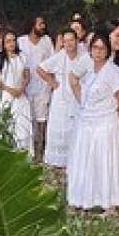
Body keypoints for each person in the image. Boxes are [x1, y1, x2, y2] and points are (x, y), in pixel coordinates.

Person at [66, 33, 119, 211]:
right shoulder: (88, 68)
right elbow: (72, 79)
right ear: (90, 50)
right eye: (95, 48)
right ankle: (85, 198)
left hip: (106, 123)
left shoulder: (114, 71)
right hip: (87, 121)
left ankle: (108, 202)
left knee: (104, 162)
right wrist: (81, 100)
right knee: (86, 160)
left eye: (102, 48)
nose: (98, 52)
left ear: (107, 51)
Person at [40, 30, 82, 169]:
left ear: (77, 40)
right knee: (59, 126)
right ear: (62, 43)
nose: (69, 43)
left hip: (77, 97)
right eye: (66, 41)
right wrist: (52, 83)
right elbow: (40, 69)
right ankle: (57, 162)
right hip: (60, 98)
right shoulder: (59, 57)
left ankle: (75, 158)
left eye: (71, 40)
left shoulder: (84, 56)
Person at [0, 30, 35, 153]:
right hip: (6, 95)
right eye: (8, 41)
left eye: (13, 40)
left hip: (20, 94)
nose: (11, 44)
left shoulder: (22, 56)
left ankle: (24, 152)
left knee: (22, 124)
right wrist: (8, 89)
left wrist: (22, 88)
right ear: (4, 44)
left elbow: (27, 75)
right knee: (8, 124)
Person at [23, 17, 56, 149]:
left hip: (43, 85)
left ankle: (41, 145)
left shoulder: (47, 41)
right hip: (26, 85)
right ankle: (29, 145)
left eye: (43, 23)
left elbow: (53, 61)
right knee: (28, 116)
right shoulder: (21, 41)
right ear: (32, 26)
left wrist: (52, 82)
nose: (43, 26)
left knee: (42, 117)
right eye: (40, 24)